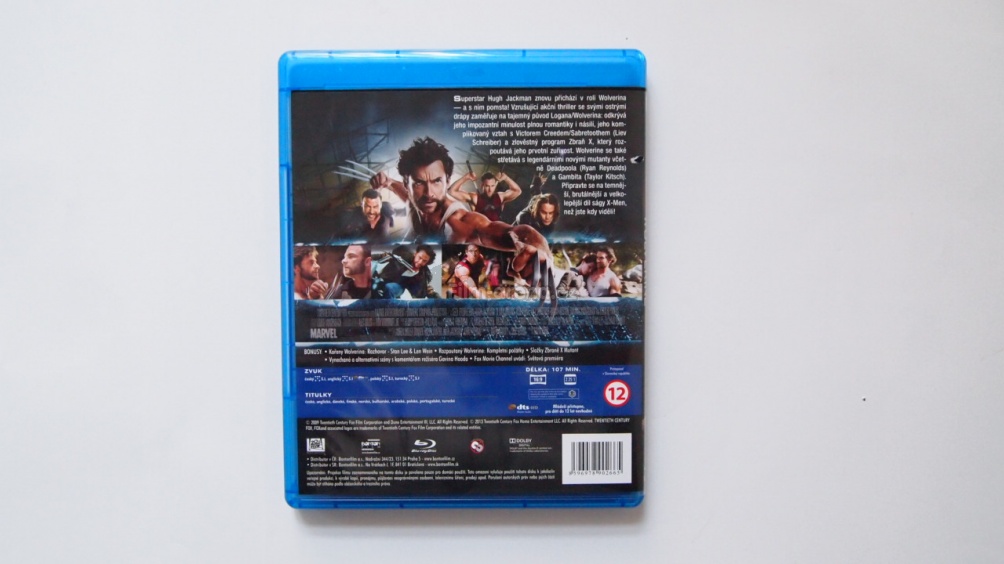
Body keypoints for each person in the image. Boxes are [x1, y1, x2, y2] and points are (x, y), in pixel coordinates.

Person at [368, 137, 553, 295]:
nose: (429, 193)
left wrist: (541, 250)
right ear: (407, 183)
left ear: (448, 180)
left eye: (437, 181)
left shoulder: (460, 221)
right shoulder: (415, 200)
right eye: (419, 183)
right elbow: (406, 194)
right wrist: (388, 182)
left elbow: (509, 231)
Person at [447, 171, 522, 222]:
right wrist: (466, 177)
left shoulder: (500, 197)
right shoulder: (475, 198)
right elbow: (451, 191)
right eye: (487, 186)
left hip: (496, 234)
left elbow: (517, 191)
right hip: (480, 235)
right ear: (482, 185)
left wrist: (506, 178)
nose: (490, 189)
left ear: (495, 185)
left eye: (492, 186)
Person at [372, 244, 439, 299]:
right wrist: (373, 257)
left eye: (424, 261)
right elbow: (383, 256)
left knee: (389, 288)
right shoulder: (403, 256)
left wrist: (435, 296)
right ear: (415, 254)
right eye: (420, 257)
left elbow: (426, 289)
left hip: (398, 287)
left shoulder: (424, 274)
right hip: (382, 279)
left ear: (427, 263)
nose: (420, 262)